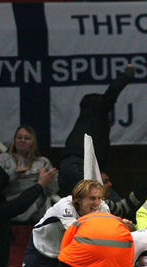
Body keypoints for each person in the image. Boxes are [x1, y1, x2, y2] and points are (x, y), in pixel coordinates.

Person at [58, 65, 135, 197]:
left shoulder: (84, 123)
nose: (109, 113)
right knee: (106, 202)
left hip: (66, 168)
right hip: (79, 166)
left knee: (73, 206)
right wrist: (128, 74)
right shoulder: (96, 114)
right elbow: (112, 92)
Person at [0, 125, 59, 224]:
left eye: (27, 138)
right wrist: (14, 174)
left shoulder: (43, 162)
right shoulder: (3, 159)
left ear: (33, 142)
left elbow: (54, 189)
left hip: (35, 218)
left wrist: (46, 179)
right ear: (14, 140)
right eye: (19, 137)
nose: (22, 140)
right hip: (8, 214)